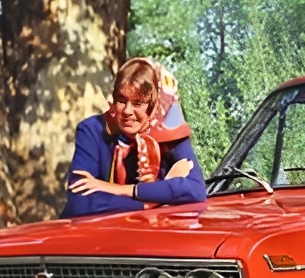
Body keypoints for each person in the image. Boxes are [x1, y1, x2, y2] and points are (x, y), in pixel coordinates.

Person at [61, 58, 208, 218]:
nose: (127, 111)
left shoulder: (169, 131)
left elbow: (195, 190)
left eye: (138, 103)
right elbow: (79, 203)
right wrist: (150, 202)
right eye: (122, 101)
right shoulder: (92, 130)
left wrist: (123, 190)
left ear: (155, 105)